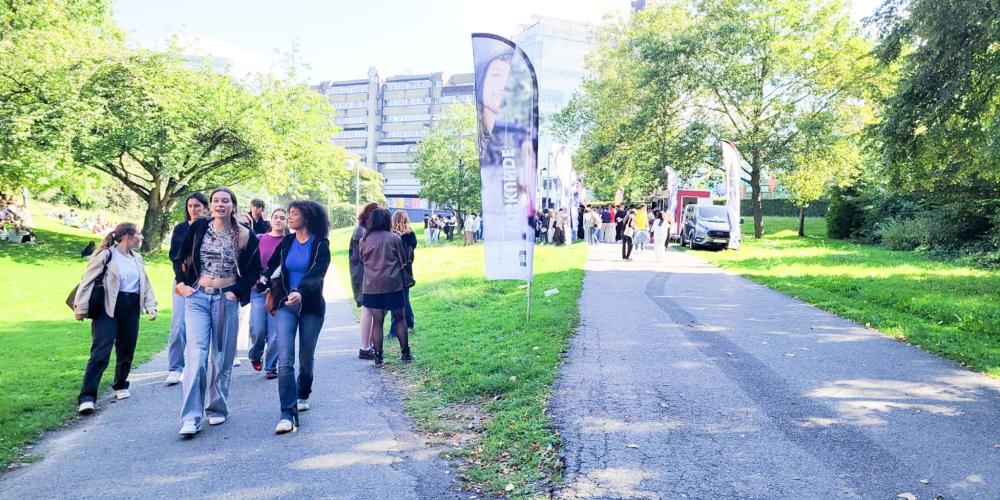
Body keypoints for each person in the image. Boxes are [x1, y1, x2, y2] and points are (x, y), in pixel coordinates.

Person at [173, 187, 260, 437]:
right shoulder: (199, 228)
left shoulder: (244, 234)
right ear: (211, 205)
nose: (220, 204)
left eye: (225, 201)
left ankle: (217, 408)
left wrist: (237, 291)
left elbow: (254, 270)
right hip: (198, 298)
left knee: (220, 357)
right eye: (216, 201)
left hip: (225, 300)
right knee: (196, 357)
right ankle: (190, 417)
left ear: (233, 205)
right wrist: (181, 283)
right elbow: (180, 256)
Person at [73, 223, 158, 414]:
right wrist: (80, 307)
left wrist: (150, 305)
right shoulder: (106, 255)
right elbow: (87, 281)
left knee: (126, 349)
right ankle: (87, 397)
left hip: (131, 306)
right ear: (127, 236)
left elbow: (145, 283)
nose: (141, 237)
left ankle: (121, 385)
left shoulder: (137, 258)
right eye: (138, 234)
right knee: (101, 352)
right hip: (108, 307)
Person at [264, 201, 331, 434]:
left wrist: (300, 292)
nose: (289, 218)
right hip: (285, 305)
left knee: (306, 357)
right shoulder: (288, 241)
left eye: (294, 214)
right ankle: (287, 413)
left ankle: (303, 392)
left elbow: (317, 275)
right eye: (289, 214)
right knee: (285, 359)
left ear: (308, 218)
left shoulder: (321, 244)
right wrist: (264, 279)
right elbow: (273, 264)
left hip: (310, 306)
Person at [164, 193, 208, 385]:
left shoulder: (210, 227)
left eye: (197, 206)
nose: (193, 209)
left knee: (202, 329)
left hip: (205, 283)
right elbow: (175, 257)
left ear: (205, 207)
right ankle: (175, 367)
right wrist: (180, 282)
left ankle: (200, 366)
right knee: (178, 326)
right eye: (190, 206)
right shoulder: (181, 229)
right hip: (183, 282)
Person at [359, 208, 413, 366]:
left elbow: (361, 260)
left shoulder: (364, 239)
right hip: (393, 285)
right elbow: (403, 260)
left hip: (372, 286)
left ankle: (378, 357)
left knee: (377, 322)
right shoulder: (394, 238)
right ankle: (405, 354)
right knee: (399, 318)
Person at [248, 208, 288, 378]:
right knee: (258, 329)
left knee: (275, 333)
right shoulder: (259, 239)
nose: (279, 220)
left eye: (283, 218)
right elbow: (249, 263)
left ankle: (271, 367)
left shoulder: (290, 242)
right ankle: (256, 353)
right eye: (276, 217)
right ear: (270, 221)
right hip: (258, 289)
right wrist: (258, 278)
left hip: (278, 291)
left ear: (287, 222)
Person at [350, 203, 379, 359]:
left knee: (370, 309)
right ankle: (365, 347)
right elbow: (363, 256)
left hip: (364, 274)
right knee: (368, 309)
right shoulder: (361, 232)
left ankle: (368, 345)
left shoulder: (362, 230)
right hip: (364, 275)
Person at [390, 211, 416, 338]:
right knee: (405, 298)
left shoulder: (393, 236)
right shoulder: (411, 235)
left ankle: (395, 329)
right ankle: (410, 322)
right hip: (407, 270)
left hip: (396, 270)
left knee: (397, 300)